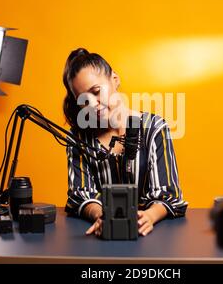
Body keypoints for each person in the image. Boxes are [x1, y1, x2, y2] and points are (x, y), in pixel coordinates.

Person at [62, 48, 187, 237]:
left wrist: (150, 216)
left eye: (96, 92)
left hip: (150, 238)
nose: (93, 105)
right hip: (101, 236)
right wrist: (102, 216)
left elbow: (168, 193)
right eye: (84, 101)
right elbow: (80, 193)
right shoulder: (79, 138)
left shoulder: (154, 128)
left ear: (115, 79)